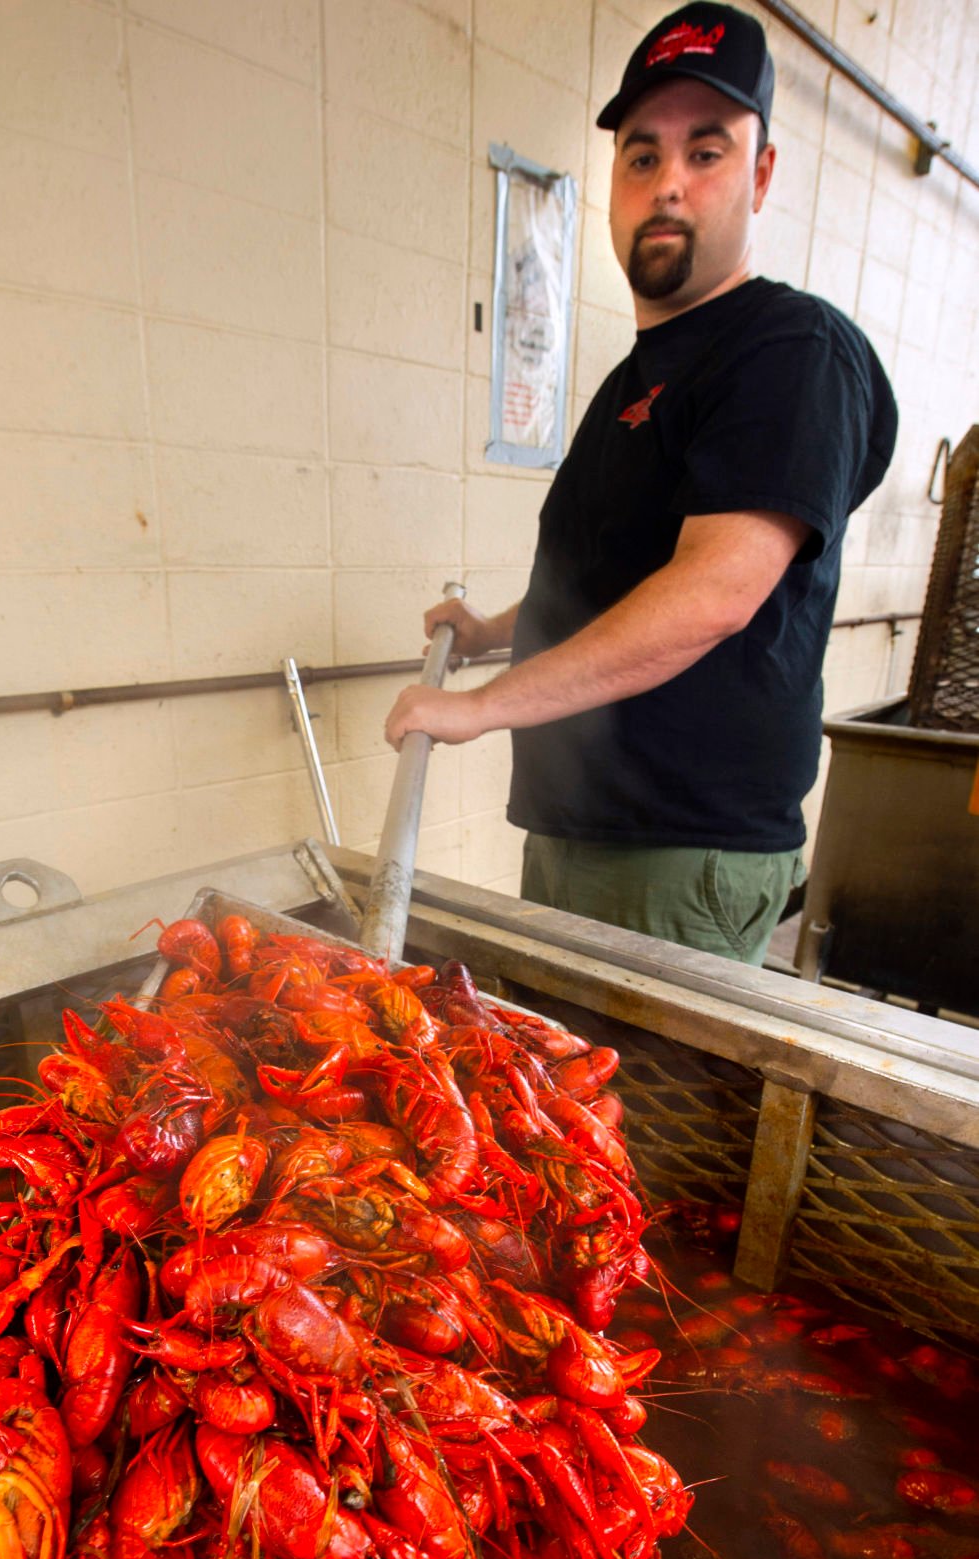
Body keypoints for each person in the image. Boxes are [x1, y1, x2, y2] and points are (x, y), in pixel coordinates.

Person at [384, 2, 897, 966]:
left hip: (679, 850)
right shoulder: (641, 374)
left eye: (705, 154)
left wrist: (481, 705)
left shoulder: (787, 349)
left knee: (641, 1119)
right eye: (641, 157)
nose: (667, 186)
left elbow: (712, 589)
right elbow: (615, 577)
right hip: (584, 824)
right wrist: (496, 630)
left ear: (761, 173)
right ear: (614, 185)